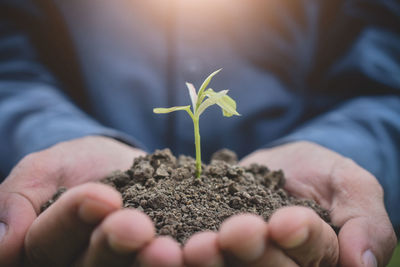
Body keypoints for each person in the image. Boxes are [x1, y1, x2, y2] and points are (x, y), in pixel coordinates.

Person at [0, 0, 398, 266]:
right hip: (98, 186)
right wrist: (47, 139)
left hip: (287, 184)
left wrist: (344, 153)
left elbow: (388, 74)